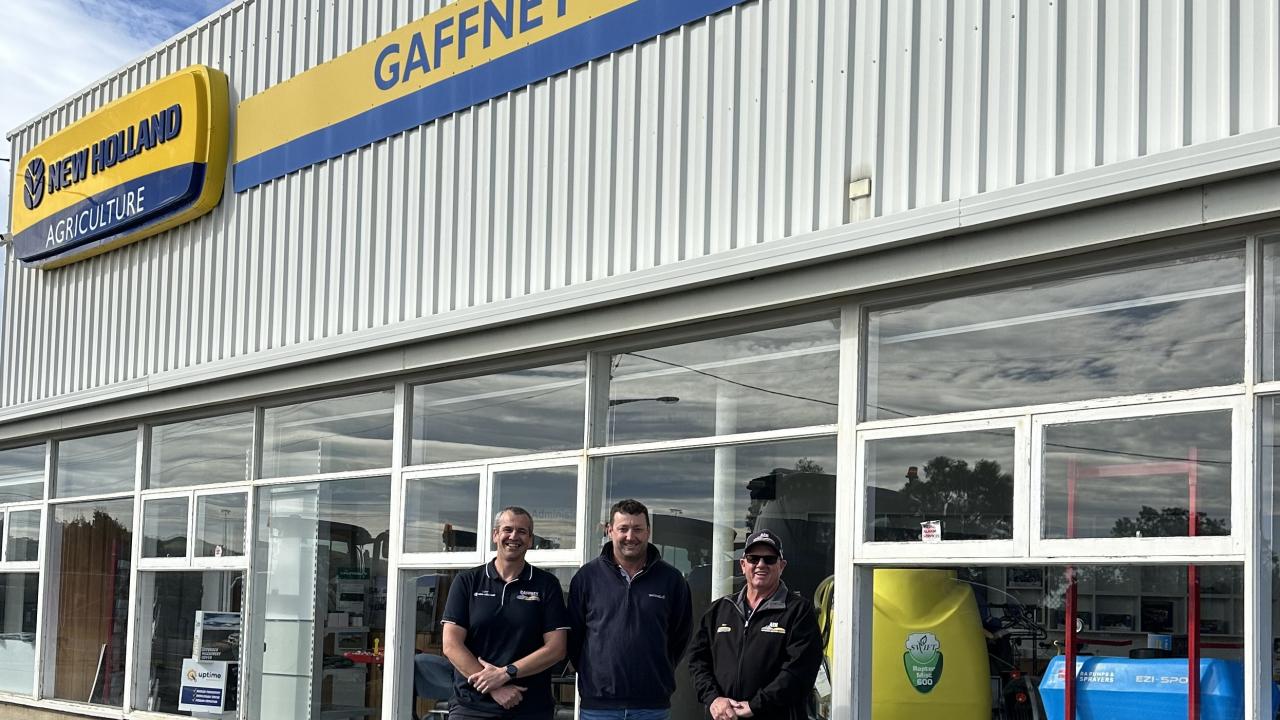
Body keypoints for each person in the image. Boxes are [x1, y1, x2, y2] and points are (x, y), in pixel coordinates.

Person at [569, 498, 694, 720]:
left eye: (637, 529)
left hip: (652, 706)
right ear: (609, 531)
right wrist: (596, 674)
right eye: (623, 529)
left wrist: (657, 669)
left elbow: (680, 636)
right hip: (598, 707)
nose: (630, 536)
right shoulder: (586, 578)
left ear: (648, 532)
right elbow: (574, 637)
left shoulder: (672, 580)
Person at [441, 507, 571, 720]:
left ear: (530, 540)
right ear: (495, 535)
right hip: (471, 708)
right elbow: (451, 645)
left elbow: (556, 648)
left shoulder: (546, 585)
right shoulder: (467, 581)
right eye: (507, 529)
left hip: (530, 708)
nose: (513, 536)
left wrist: (506, 673)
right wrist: (494, 687)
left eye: (522, 531)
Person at [687, 529, 823, 720]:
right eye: (753, 558)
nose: (761, 564)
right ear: (743, 565)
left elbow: (800, 670)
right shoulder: (720, 609)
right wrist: (714, 699)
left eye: (769, 559)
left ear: (781, 566)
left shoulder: (798, 611)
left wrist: (756, 705)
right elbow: (697, 661)